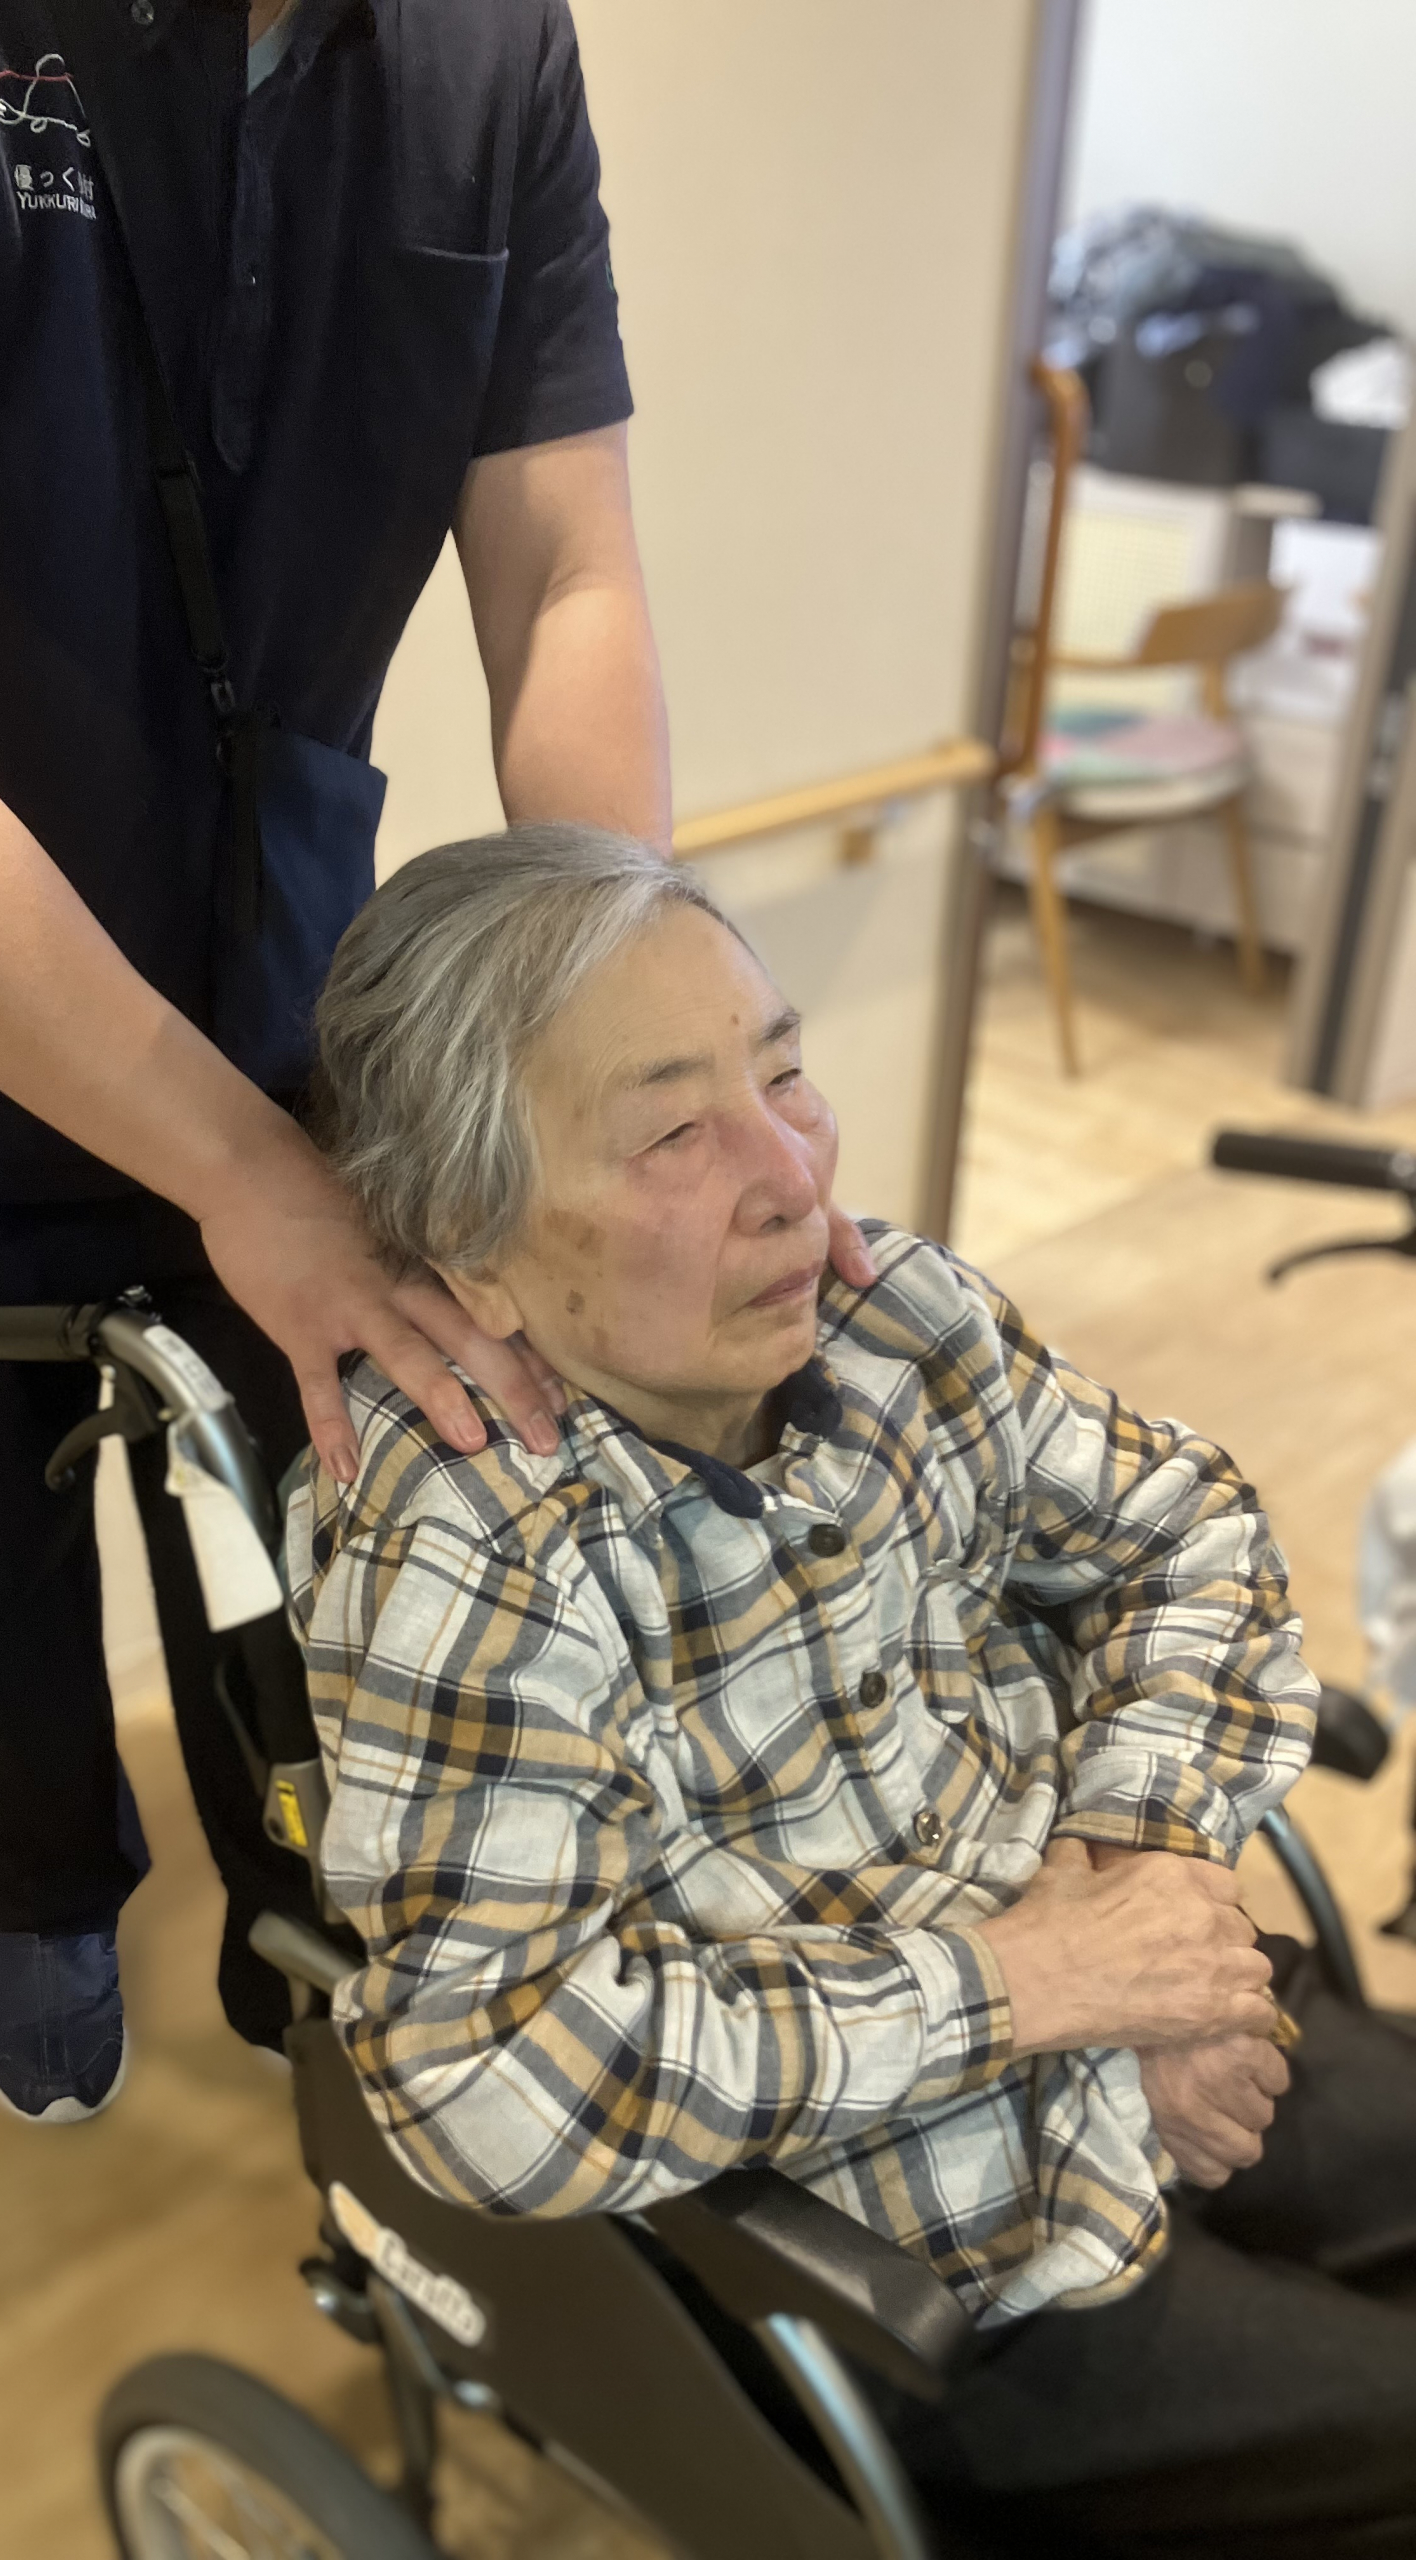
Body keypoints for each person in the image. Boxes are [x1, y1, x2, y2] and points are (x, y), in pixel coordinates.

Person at [0, 0, 879, 2119]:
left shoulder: (480, 51)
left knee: (327, 1479)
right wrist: (248, 1181)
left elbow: (564, 572)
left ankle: (318, 1913)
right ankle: (46, 1886)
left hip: (281, 975)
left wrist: (642, 1062)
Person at [289, 824, 1416, 2556]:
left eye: (784, 1071)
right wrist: (1028, 1986)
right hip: (929, 2254)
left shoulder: (893, 1321)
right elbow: (487, 2069)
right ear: (471, 1245)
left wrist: (1146, 1885)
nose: (793, 1179)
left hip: (1154, 1994)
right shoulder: (480, 1561)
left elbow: (1183, 1532)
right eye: (673, 1132)